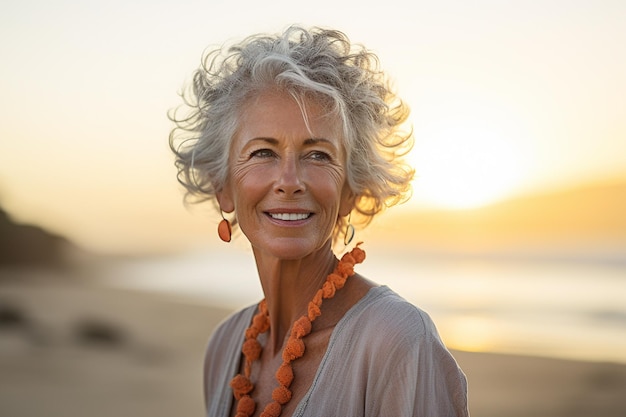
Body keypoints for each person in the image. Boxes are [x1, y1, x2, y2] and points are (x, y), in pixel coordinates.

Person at [169, 25, 469, 417]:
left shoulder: (397, 341)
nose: (289, 182)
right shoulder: (225, 345)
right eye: (262, 152)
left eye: (319, 155)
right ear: (223, 187)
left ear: (350, 191)